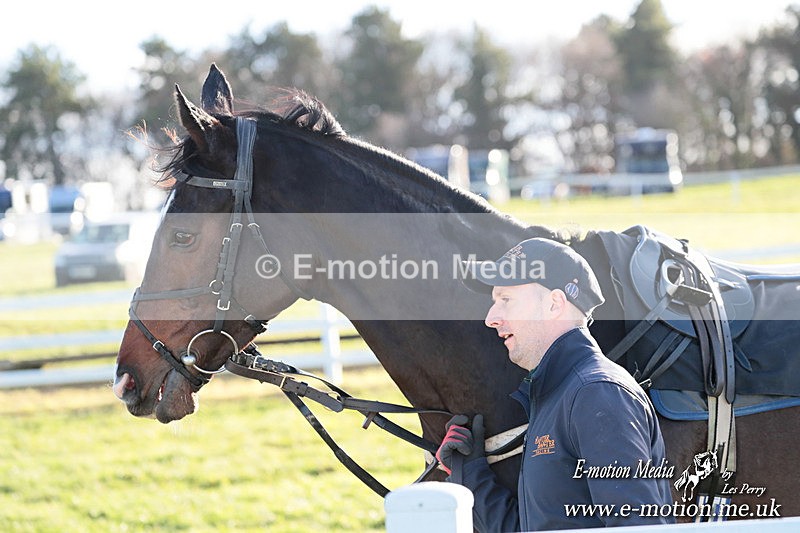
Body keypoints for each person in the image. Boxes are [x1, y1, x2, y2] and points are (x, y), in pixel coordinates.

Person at [436, 237, 675, 531]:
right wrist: (470, 473)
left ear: (554, 304)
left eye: (505, 300)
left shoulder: (597, 394)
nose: (491, 318)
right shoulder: (557, 395)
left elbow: (638, 527)